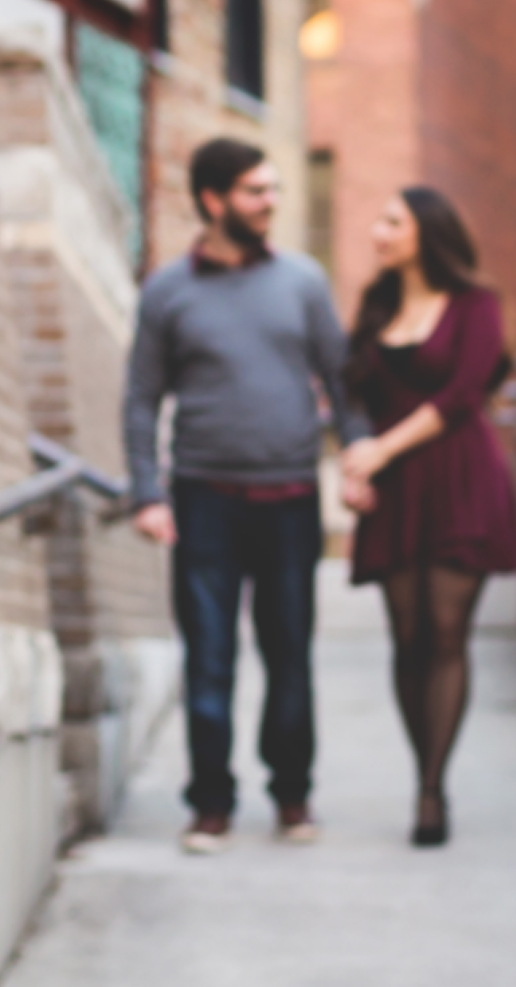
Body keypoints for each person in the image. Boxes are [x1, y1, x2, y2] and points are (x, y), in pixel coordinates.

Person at [123, 137, 363, 854]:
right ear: (213, 200)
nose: (271, 203)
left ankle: (292, 795)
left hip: (290, 497)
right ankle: (210, 804)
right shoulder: (167, 291)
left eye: (273, 190)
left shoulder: (303, 281)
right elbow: (140, 400)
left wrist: (359, 460)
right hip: (204, 501)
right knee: (210, 655)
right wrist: (147, 492)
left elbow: (343, 380)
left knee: (290, 653)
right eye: (257, 192)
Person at [336, 186, 516, 848]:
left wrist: (377, 451)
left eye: (392, 221)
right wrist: (354, 466)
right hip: (394, 494)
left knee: (446, 634)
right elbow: (352, 394)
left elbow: (464, 392)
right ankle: (424, 767)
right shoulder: (376, 305)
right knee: (407, 636)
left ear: (426, 232)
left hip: (461, 479)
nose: (378, 232)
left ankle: (430, 789)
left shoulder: (477, 304)